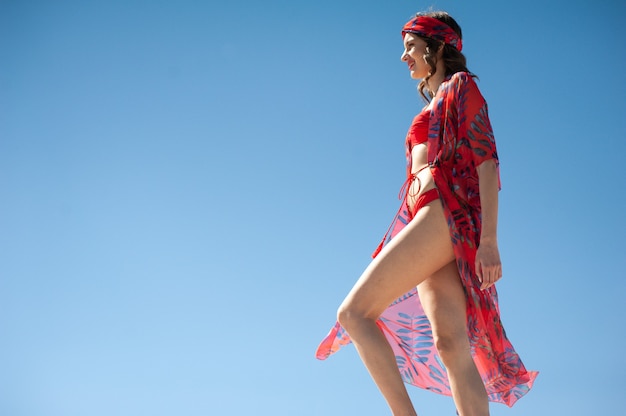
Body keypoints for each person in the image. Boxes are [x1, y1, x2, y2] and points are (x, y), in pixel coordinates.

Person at [316, 11, 538, 416]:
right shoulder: (435, 102)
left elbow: (487, 163)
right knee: (450, 345)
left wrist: (489, 241)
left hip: (442, 217)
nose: (404, 57)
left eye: (411, 47)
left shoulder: (461, 87)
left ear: (437, 47)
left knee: (353, 314)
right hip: (427, 220)